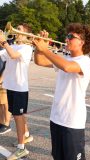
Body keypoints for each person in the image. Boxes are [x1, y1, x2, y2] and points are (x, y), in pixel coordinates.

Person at [33, 23, 90, 160]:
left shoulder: (85, 61)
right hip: (56, 117)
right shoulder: (65, 58)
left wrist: (45, 49)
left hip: (72, 121)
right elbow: (39, 61)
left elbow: (67, 67)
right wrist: (39, 47)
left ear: (82, 42)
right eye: (67, 36)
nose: (66, 39)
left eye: (70, 37)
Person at [0, 23, 33, 160]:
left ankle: (22, 148)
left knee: (18, 117)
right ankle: (25, 135)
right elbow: (3, 55)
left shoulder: (27, 47)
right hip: (11, 86)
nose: (14, 31)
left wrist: (3, 41)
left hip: (19, 87)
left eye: (18, 29)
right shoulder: (13, 45)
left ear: (26, 34)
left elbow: (13, 55)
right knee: (17, 115)